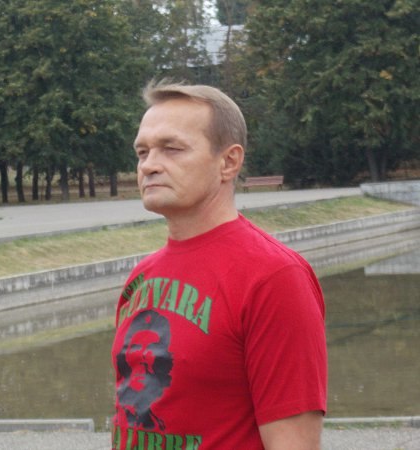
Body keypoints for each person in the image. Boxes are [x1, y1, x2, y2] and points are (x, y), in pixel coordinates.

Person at [111, 80, 327, 450]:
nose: (149, 165)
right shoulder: (141, 278)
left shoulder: (274, 278)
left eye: (171, 149)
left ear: (228, 162)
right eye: (142, 152)